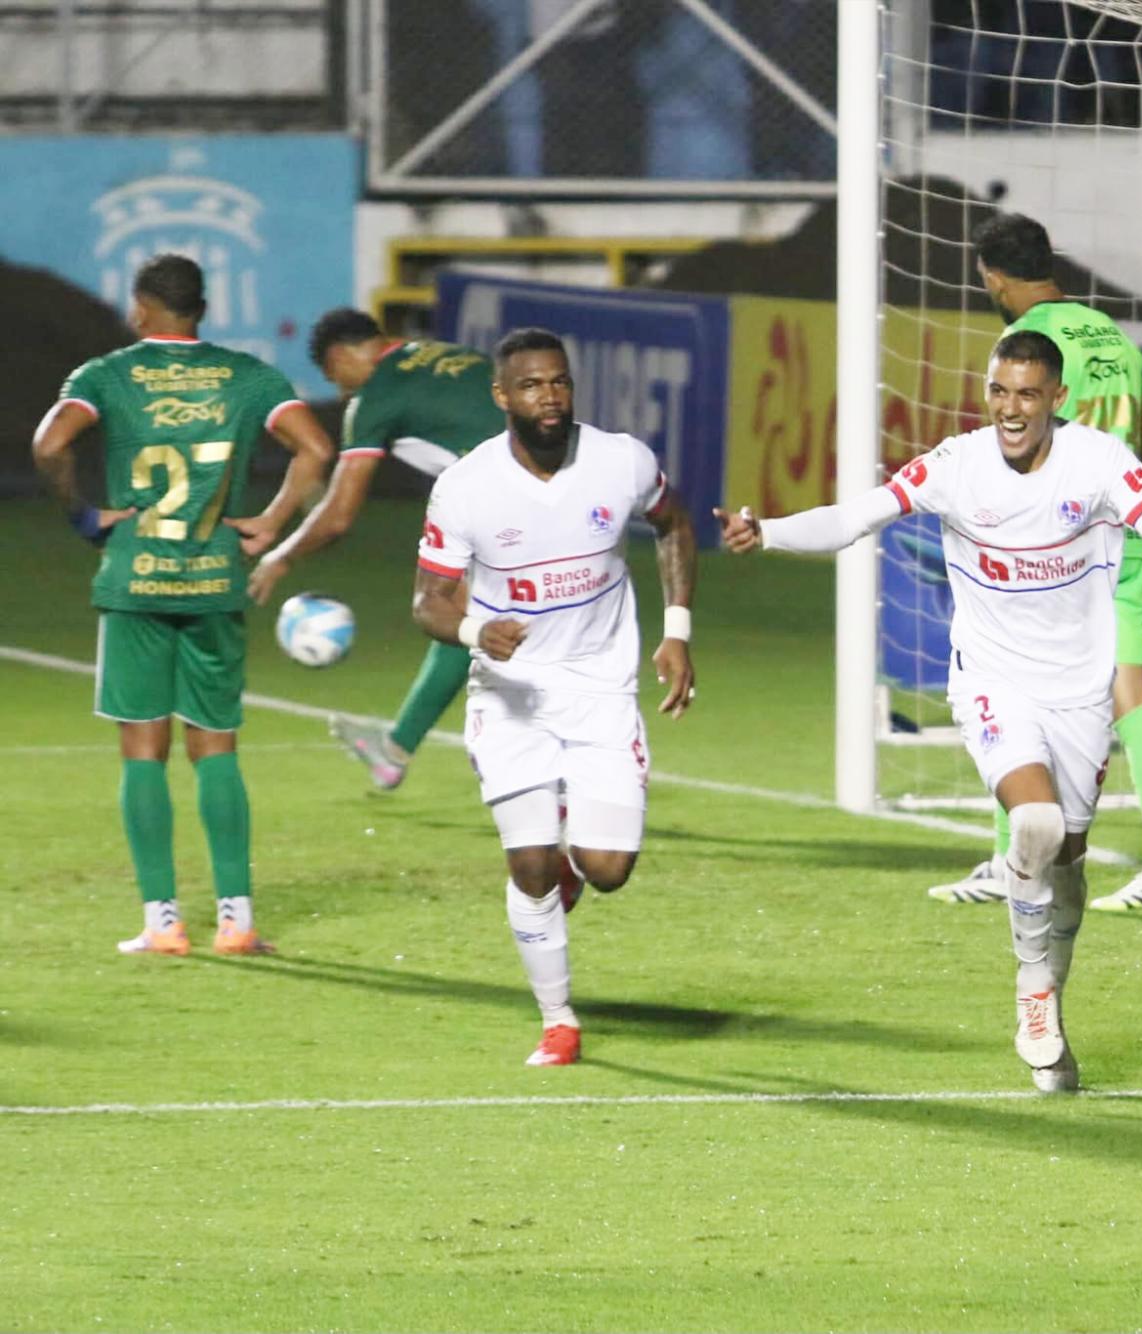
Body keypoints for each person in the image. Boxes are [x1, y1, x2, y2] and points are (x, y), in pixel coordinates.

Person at [717, 330, 1142, 1092]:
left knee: (1072, 867)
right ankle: (1032, 994)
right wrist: (771, 532)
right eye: (998, 391)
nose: (1009, 409)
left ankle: (1052, 994)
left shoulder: (1101, 465)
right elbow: (857, 517)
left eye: (1026, 394)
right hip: (991, 681)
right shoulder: (957, 466)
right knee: (1037, 825)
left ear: (1057, 399)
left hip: (1080, 692)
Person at [30, 253, 335, 957]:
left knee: (143, 748)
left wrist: (83, 514)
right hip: (213, 581)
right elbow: (315, 447)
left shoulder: (106, 376)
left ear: (141, 309)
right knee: (215, 746)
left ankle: (163, 923)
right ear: (202, 308)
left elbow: (49, 445)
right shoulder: (247, 376)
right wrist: (270, 520)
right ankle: (237, 920)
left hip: (135, 579)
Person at [411, 327, 696, 1067]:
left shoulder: (621, 460)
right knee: (529, 863)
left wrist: (678, 629)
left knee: (607, 869)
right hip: (511, 699)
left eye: (560, 382)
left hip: (602, 690)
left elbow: (674, 523)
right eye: (533, 385)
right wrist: (477, 629)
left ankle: (575, 858)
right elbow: (428, 602)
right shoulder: (467, 487)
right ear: (502, 396)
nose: (550, 397)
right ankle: (558, 1019)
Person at [926, 211, 1142, 912]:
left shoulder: (1030, 348)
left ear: (995, 278)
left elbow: (1015, 449)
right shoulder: (1111, 335)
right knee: (1052, 688)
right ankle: (1006, 857)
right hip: (1123, 537)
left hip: (1062, 546)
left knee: (1085, 688)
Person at [249, 308, 506, 791]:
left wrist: (280, 557)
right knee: (463, 617)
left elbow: (339, 515)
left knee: (468, 619)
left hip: (505, 500)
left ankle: (539, 761)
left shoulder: (375, 397)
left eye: (333, 376)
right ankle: (395, 750)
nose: (342, 389)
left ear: (341, 356)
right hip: (558, 483)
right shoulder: (450, 355)